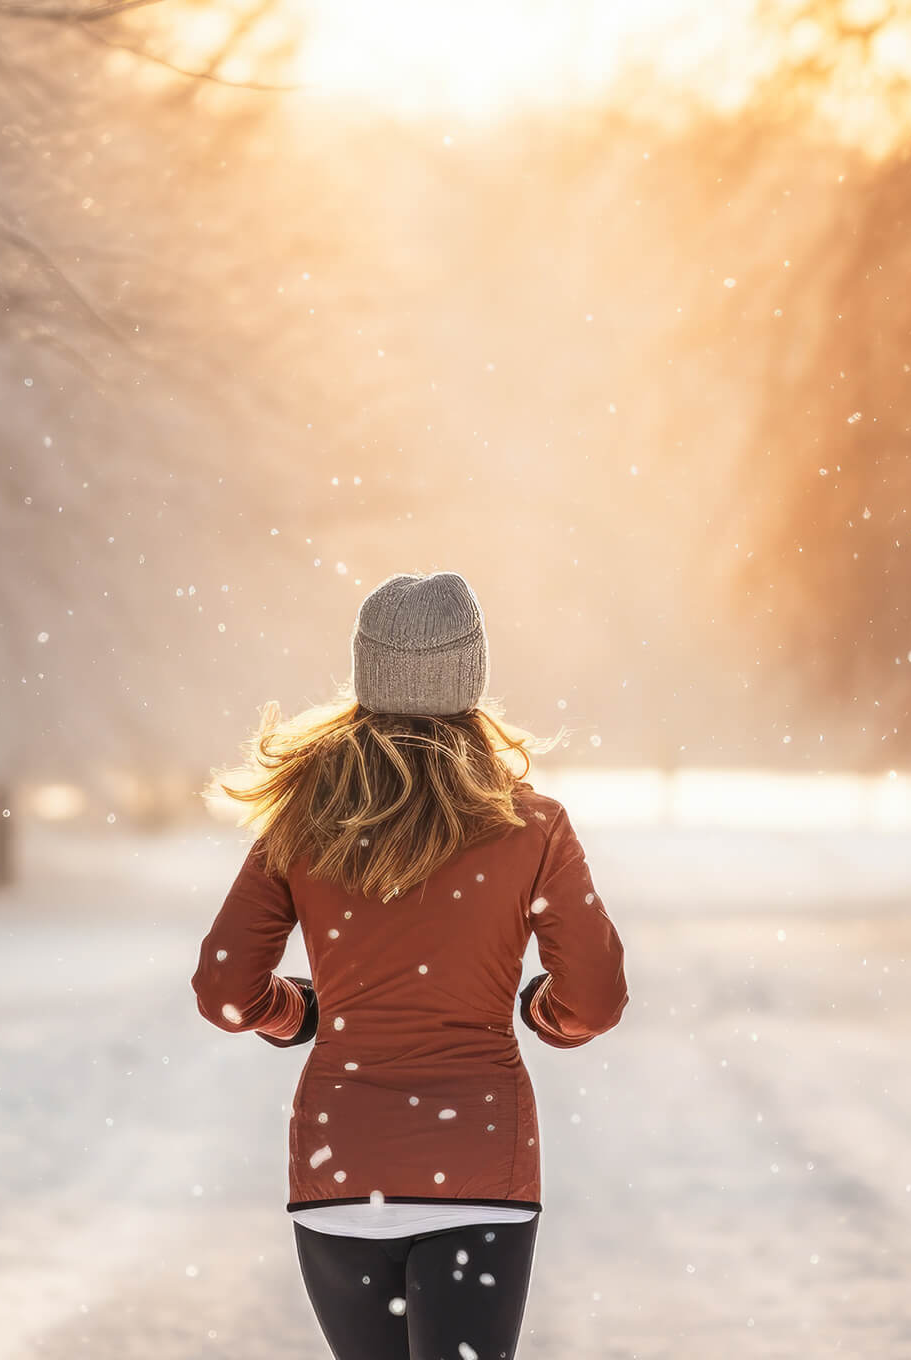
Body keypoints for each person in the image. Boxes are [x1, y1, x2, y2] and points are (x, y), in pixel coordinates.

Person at [191, 570, 629, 1360]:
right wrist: (539, 1013)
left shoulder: (305, 818)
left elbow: (225, 988)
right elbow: (593, 1001)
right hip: (478, 1171)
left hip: (343, 1166)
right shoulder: (533, 825)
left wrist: (300, 1013)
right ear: (472, 677)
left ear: (368, 673)